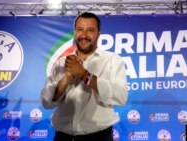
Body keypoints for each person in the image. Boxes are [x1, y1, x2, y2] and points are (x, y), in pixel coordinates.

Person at [41, 12, 128, 141]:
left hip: (99, 137)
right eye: (80, 29)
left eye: (90, 30)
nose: (84, 35)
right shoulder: (61, 63)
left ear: (99, 34)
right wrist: (66, 79)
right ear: (75, 32)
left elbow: (120, 96)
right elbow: (47, 103)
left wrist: (84, 75)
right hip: (62, 137)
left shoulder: (113, 61)